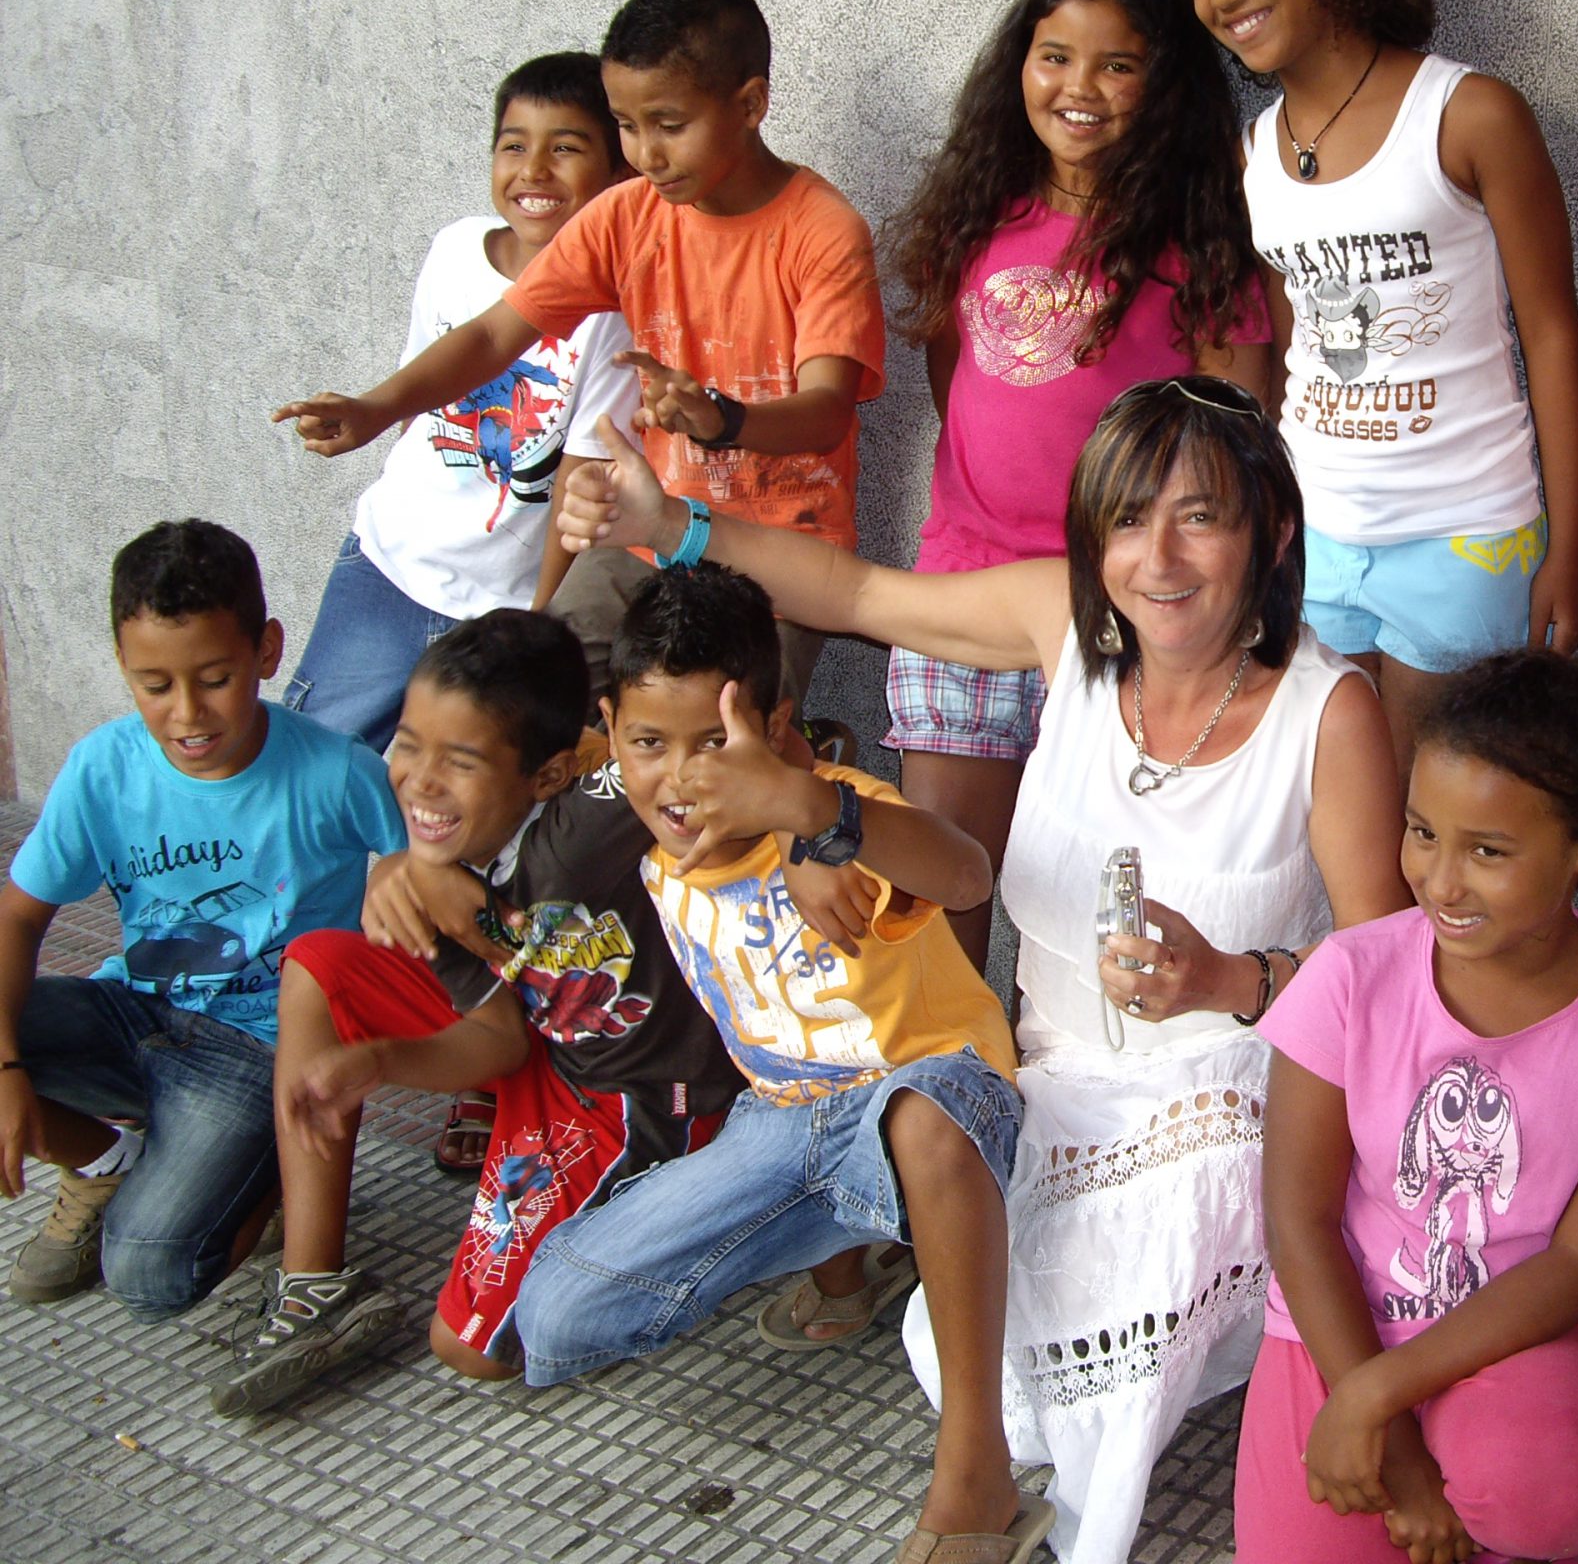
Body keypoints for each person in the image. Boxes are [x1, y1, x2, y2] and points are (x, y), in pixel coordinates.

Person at [554, 378, 1408, 1564]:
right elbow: (853, 592)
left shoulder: (1328, 712)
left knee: (1111, 1353)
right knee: (982, 1349)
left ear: (1273, 533)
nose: (1157, 559)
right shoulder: (1066, 631)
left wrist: (1227, 981)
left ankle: (1014, 1476)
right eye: (1127, 519)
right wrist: (669, 523)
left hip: (1229, 1092)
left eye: (1201, 517)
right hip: (1043, 1081)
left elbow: (1386, 972)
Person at [505, 565, 1044, 1562]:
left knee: (917, 1116)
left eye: (715, 744)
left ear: (776, 730)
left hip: (936, 1098)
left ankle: (977, 1466)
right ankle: (858, 1257)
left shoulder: (839, 823)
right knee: (555, 1319)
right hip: (785, 1123)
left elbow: (965, 873)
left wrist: (817, 815)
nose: (682, 780)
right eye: (649, 744)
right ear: (610, 734)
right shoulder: (649, 850)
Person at [275, 0, 884, 706]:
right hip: (645, 535)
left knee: (722, 748)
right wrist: (378, 408)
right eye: (626, 125)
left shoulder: (823, 232)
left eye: (669, 125)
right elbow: (493, 335)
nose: (646, 154)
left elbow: (826, 410)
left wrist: (722, 419)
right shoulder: (627, 215)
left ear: (750, 104)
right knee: (532, 705)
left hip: (780, 562)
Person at [1237, 650, 1578, 1564]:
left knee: (1538, 1495)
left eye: (1487, 851)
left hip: (1526, 1336)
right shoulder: (1350, 974)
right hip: (1337, 1327)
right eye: (1423, 832)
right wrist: (1391, 1441)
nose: (1441, 881)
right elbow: (1299, 1222)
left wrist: (1378, 1398)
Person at [206, 608, 743, 1417]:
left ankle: (699, 1218)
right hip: (537, 1051)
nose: (421, 782)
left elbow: (685, 748)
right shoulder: (433, 864)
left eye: (459, 762)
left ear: (549, 775)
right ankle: (314, 1284)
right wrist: (379, 1059)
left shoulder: (585, 828)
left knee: (472, 1348)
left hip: (634, 1097)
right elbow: (495, 1043)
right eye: (409, 745)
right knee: (319, 960)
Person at [882, 0, 1272, 969]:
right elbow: (956, 379)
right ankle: (959, 1070)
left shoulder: (1201, 244)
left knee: (1089, 919)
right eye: (1055, 56)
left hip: (1124, 614)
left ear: (1167, 83)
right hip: (964, 594)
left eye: (1117, 65)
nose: (1078, 88)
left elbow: (1238, 436)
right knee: (941, 905)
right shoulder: (976, 213)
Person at [1175, 0, 1578, 773]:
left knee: (1430, 808)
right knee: (1337, 807)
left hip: (1464, 540)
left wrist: (1569, 550)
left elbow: (1552, 336)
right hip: (1314, 536)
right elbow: (1285, 353)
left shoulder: (1468, 114)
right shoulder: (1253, 157)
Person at [0, 521, 404, 1317]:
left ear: (267, 651)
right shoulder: (103, 766)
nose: (188, 714)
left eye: (216, 678)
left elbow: (424, 878)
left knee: (149, 1276)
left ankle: (268, 1174)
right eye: (155, 685)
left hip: (257, 1053)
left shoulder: (337, 772)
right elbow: (17, 918)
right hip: (134, 1012)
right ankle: (104, 1160)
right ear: (123, 666)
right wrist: (6, 1068)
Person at [281, 52, 641, 756]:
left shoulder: (612, 311)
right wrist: (367, 412)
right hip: (388, 563)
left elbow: (580, 474)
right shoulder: (454, 250)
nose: (534, 171)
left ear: (618, 175)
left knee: (462, 786)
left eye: (566, 149)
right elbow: (422, 389)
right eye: (514, 146)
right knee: (321, 757)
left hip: (500, 608)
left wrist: (541, 623)